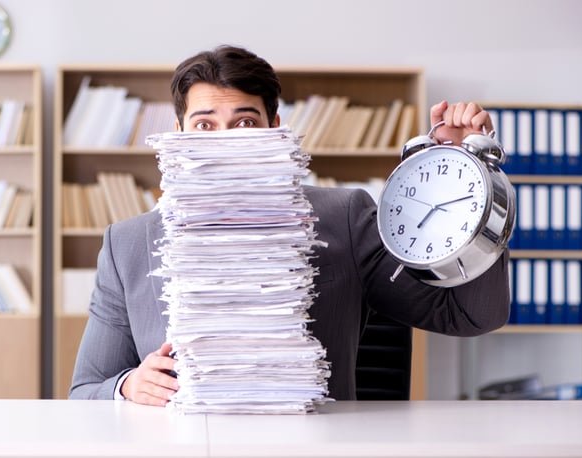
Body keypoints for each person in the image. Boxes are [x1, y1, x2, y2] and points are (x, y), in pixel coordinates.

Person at [69, 45, 510, 406]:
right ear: (178, 133)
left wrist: (465, 173)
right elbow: (86, 390)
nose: (226, 142)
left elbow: (472, 315)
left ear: (275, 128)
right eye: (205, 126)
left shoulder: (345, 217)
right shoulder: (125, 244)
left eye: (245, 122)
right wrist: (126, 386)